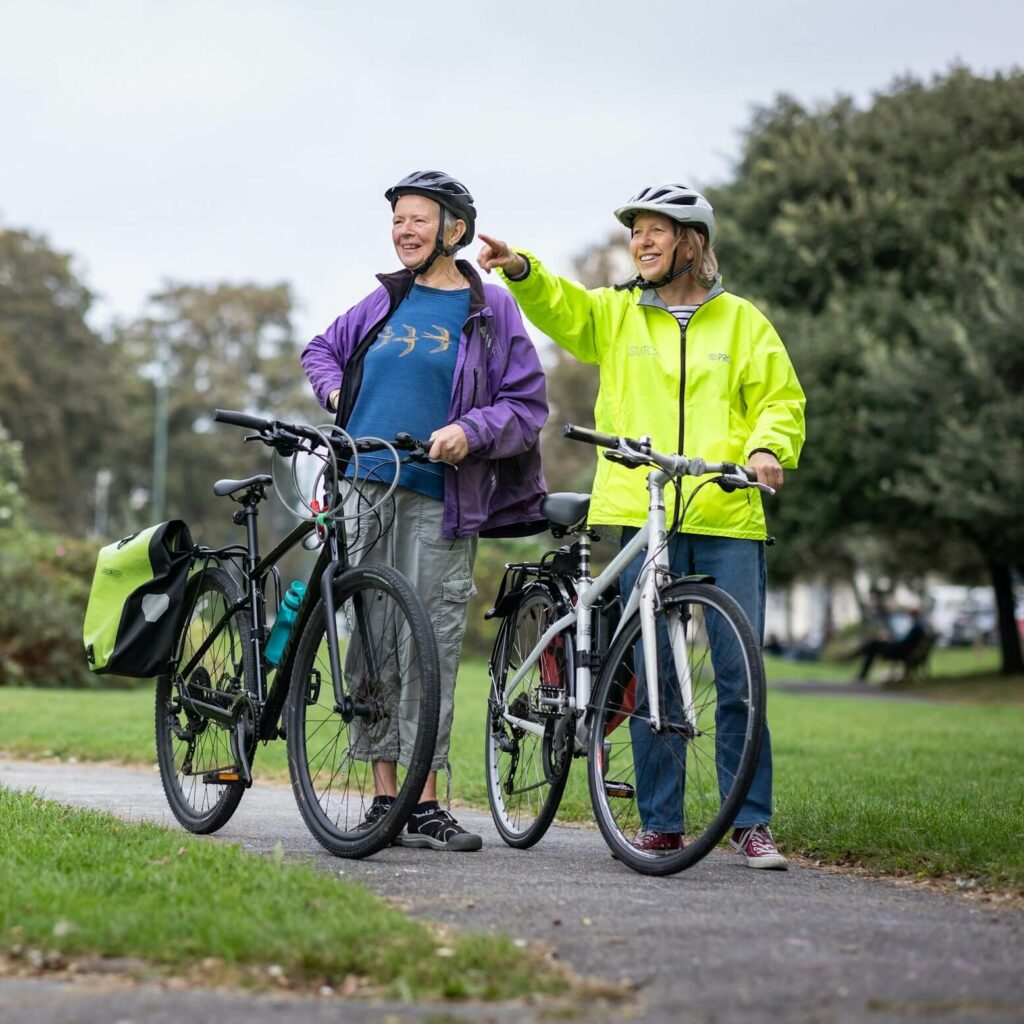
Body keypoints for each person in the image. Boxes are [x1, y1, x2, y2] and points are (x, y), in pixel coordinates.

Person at [478, 183, 806, 869]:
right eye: (637, 233)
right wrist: (522, 270)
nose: (643, 243)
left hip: (726, 513)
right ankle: (660, 823)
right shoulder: (620, 314)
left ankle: (751, 823)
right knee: (654, 674)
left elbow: (779, 399)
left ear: (692, 243)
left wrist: (768, 449)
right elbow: (566, 310)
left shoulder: (743, 323)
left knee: (739, 677)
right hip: (639, 510)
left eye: (658, 232)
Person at [301, 170, 548, 852]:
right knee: (374, 642)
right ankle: (387, 797)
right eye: (398, 220)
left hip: (441, 497)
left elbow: (527, 406)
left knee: (429, 647)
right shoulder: (384, 303)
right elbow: (321, 350)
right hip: (363, 485)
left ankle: (426, 800)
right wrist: (333, 394)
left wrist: (471, 431)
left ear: (455, 230)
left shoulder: (489, 307)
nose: (404, 231)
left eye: (418, 220)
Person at [854, 607, 928, 680]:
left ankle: (855, 659)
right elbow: (906, 641)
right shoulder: (919, 626)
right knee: (873, 645)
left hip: (899, 652)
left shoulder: (917, 628)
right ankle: (855, 658)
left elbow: (904, 642)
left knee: (873, 646)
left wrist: (889, 641)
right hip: (901, 650)